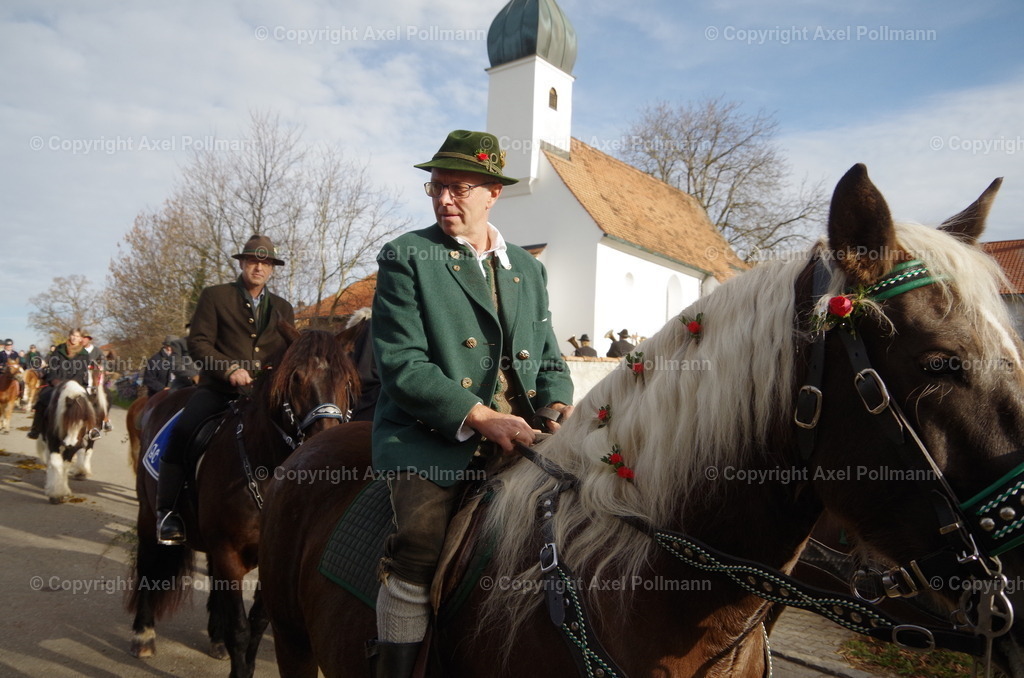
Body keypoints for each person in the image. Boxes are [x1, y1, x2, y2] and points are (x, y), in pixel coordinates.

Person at [369, 129, 575, 676]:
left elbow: (550, 355)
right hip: (432, 435)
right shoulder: (407, 255)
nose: (444, 200)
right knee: (417, 547)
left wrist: (556, 406)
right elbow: (402, 364)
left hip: (524, 433)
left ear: (493, 193)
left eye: (458, 188)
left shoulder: (528, 269)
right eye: (436, 188)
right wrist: (480, 416)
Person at [154, 234, 295, 545]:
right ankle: (169, 512)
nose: (259, 267)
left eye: (266, 262)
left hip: (264, 397)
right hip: (219, 390)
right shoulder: (215, 296)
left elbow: (289, 352)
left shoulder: (284, 308)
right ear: (243, 263)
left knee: (300, 439)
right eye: (254, 261)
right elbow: (198, 342)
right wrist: (228, 369)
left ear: (272, 268)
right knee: (183, 432)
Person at [27, 329, 91, 439]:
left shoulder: (84, 354)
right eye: (72, 335)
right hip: (57, 383)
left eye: (77, 336)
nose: (74, 338)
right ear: (69, 336)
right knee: (43, 397)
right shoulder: (59, 349)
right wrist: (55, 381)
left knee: (89, 403)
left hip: (76, 384)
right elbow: (52, 367)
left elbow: (81, 372)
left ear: (81, 338)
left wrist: (71, 384)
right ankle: (36, 428)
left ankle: (90, 430)